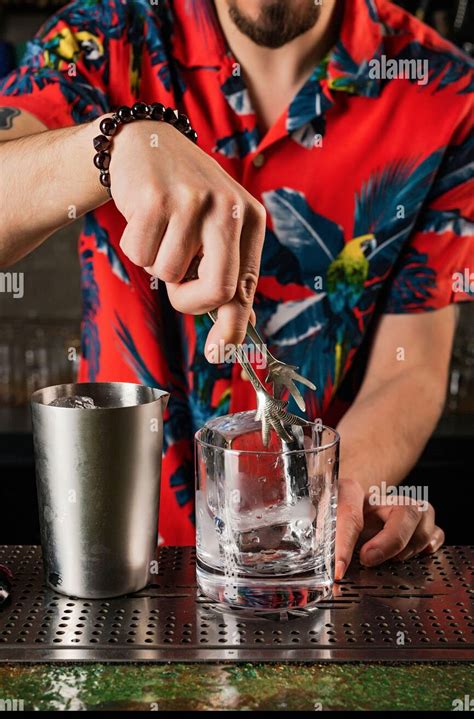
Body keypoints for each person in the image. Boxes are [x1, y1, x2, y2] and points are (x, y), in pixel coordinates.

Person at [0, 0, 472, 577]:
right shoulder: (103, 38)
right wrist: (112, 147)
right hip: (123, 572)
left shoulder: (443, 91)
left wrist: (339, 492)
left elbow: (412, 366)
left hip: (305, 564)